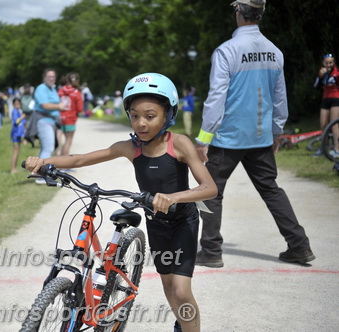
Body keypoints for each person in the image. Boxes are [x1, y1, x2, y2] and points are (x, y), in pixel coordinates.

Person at [25, 73, 217, 332]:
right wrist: (43, 162)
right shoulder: (131, 147)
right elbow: (81, 159)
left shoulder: (178, 144)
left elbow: (210, 188)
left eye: (150, 116)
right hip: (156, 223)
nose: (141, 123)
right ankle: (183, 324)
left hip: (183, 221)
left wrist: (173, 197)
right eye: (135, 115)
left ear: (168, 115)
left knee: (182, 291)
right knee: (170, 288)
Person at [194, 0, 315, 268]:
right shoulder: (275, 51)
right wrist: (276, 131)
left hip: (227, 138)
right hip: (260, 137)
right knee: (272, 190)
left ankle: (211, 251)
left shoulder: (227, 50)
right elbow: (279, 96)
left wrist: (204, 138)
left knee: (210, 192)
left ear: (238, 12)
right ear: (259, 14)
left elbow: (217, 97)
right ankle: (300, 246)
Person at [32, 69, 64, 162]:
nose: (51, 78)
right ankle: (42, 174)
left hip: (52, 121)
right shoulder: (41, 88)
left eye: (53, 76)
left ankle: (38, 172)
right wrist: (59, 106)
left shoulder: (53, 89)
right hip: (43, 120)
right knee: (48, 148)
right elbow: (45, 105)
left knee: (45, 148)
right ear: (44, 78)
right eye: (49, 76)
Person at [313, 53, 339, 157]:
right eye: (327, 63)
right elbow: (315, 86)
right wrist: (320, 76)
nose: (329, 65)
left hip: (336, 99)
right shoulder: (322, 73)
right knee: (323, 124)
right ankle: (324, 148)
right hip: (325, 99)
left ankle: (337, 149)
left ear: (334, 63)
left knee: (334, 124)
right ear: (324, 63)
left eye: (331, 62)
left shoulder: (337, 73)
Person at [57, 72, 84, 156]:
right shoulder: (76, 92)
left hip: (60, 118)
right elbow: (79, 109)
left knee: (64, 141)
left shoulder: (60, 91)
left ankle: (60, 161)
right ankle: (65, 164)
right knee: (68, 141)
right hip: (71, 119)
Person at [10, 98, 26, 174]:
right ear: (13, 105)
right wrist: (22, 117)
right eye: (16, 104)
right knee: (15, 150)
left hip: (19, 134)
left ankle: (15, 168)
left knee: (17, 150)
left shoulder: (18, 111)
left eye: (19, 104)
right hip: (15, 134)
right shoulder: (14, 111)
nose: (18, 105)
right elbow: (16, 121)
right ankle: (13, 169)